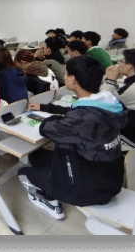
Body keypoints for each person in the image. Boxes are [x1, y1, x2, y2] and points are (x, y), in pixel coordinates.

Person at [17, 55, 128, 219]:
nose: (64, 76)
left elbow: (46, 128)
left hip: (87, 192)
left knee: (23, 172)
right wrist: (46, 107)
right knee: (36, 156)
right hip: (110, 180)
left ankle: (51, 203)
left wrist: (53, 118)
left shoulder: (81, 119)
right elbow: (77, 111)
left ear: (73, 79)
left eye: (66, 73)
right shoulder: (109, 104)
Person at [101, 49, 135, 157]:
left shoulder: (134, 88)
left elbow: (102, 103)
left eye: (121, 61)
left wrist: (110, 80)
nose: (118, 64)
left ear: (129, 67)